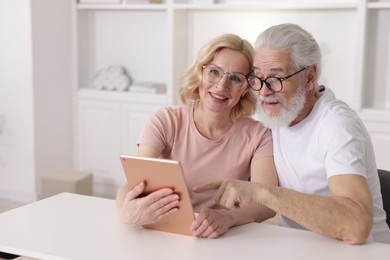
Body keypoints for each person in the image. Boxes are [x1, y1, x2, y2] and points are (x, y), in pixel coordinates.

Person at [194, 23, 390, 244]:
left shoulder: (336, 124)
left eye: (276, 79)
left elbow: (357, 227)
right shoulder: (277, 117)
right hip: (300, 247)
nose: (264, 92)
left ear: (309, 77)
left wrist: (263, 192)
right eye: (257, 78)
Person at [116, 33, 278, 238]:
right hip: (165, 232)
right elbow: (133, 184)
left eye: (235, 78)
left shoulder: (259, 135)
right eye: (214, 72)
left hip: (224, 237)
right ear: (200, 73)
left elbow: (267, 203)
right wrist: (126, 213)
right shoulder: (165, 120)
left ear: (246, 88)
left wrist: (228, 218)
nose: (221, 86)